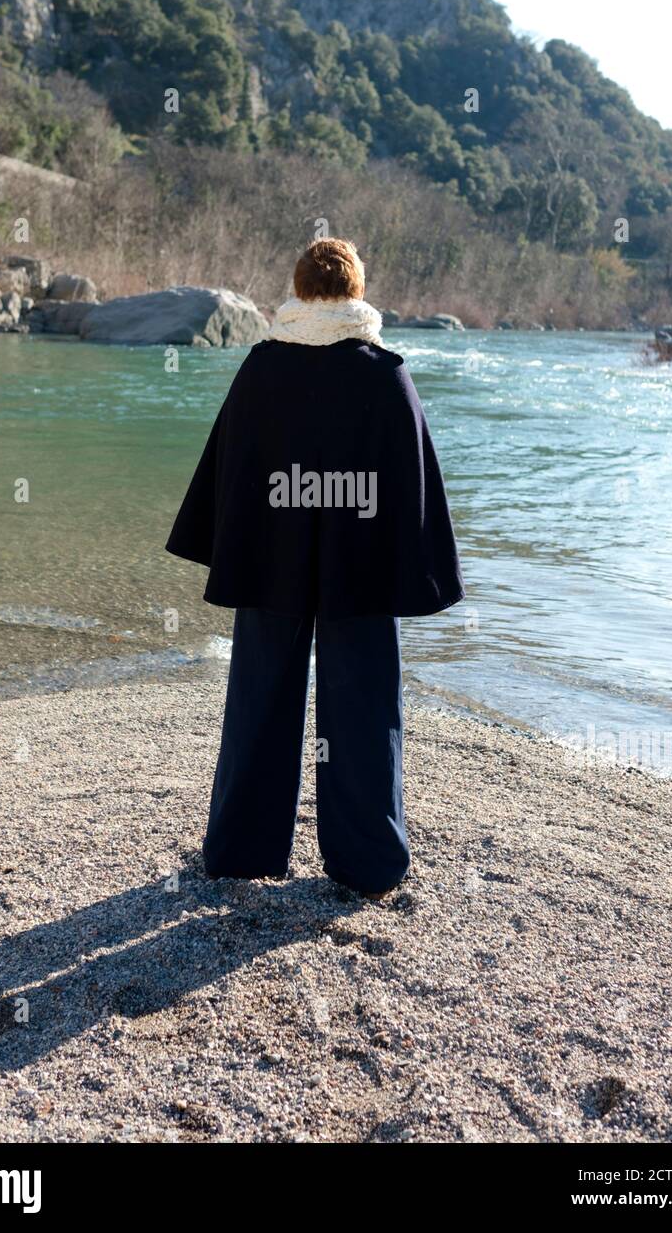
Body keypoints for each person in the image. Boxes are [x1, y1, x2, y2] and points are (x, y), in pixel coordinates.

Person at [165, 238, 464, 897]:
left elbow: (233, 469)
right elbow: (415, 480)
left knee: (259, 701)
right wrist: (414, 562)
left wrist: (238, 543)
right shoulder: (385, 371)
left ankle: (241, 851)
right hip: (360, 572)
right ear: (356, 293)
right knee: (364, 706)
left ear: (297, 294)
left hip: (272, 562)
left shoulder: (263, 368)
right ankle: (370, 864)